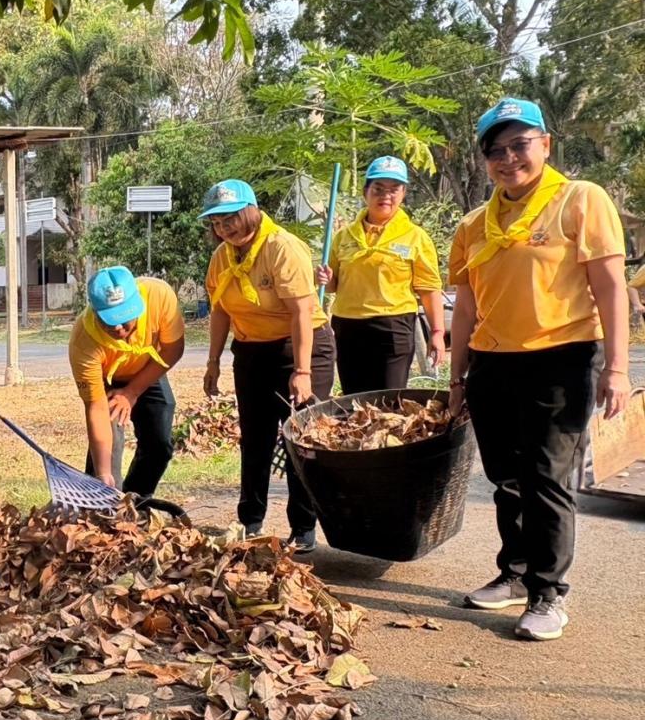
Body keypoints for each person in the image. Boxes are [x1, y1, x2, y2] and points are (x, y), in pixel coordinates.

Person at [450, 97, 630, 641]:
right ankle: (515, 573)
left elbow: (610, 288)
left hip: (561, 358)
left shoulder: (580, 201)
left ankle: (549, 595)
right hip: (492, 364)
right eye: (495, 151)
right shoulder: (475, 223)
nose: (509, 159)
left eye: (520, 145)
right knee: (506, 477)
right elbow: (467, 306)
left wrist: (617, 368)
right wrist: (457, 379)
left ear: (545, 145)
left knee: (546, 478)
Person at [201, 179, 336, 550]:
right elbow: (219, 311)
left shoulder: (282, 247)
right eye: (217, 222)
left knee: (301, 440)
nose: (225, 227)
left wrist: (302, 371)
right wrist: (212, 362)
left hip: (302, 347)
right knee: (255, 439)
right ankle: (251, 519)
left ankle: (304, 527)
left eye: (231, 218)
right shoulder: (222, 258)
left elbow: (302, 312)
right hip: (251, 352)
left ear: (252, 210)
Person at [315, 156, 445, 393]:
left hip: (393, 325)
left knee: (389, 401)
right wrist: (324, 277)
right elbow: (333, 285)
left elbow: (428, 289)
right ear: (366, 192)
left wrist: (437, 333)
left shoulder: (415, 237)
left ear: (403, 193)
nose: (386, 195)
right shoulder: (344, 237)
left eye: (394, 189)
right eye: (378, 188)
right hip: (349, 325)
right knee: (354, 400)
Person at [69, 265, 185, 495]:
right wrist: (103, 473)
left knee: (159, 444)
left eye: (124, 318)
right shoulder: (84, 341)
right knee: (107, 453)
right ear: (95, 311)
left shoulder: (158, 295)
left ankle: (135, 503)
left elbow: (173, 350)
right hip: (107, 379)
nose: (119, 328)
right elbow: (96, 408)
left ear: (137, 302)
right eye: (109, 321)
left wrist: (131, 392)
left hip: (148, 367)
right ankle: (102, 506)